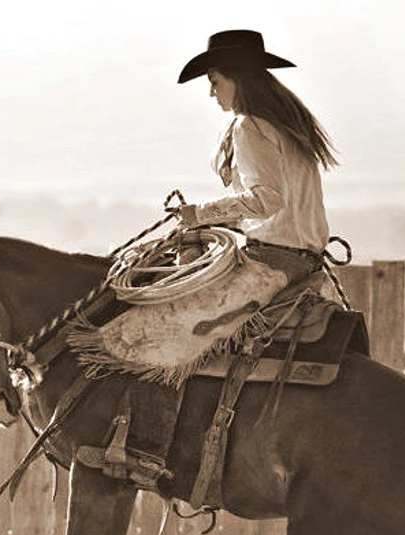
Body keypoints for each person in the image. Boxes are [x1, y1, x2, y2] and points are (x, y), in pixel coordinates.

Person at [121, 29, 339, 491]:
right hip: (304, 263)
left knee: (159, 329)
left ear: (237, 79)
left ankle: (145, 451)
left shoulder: (249, 126)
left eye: (216, 80)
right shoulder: (290, 128)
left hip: (270, 266)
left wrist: (199, 215)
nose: (211, 91)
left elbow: (265, 199)